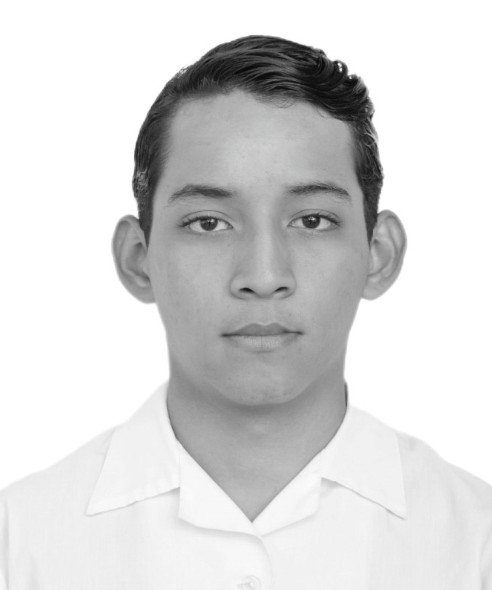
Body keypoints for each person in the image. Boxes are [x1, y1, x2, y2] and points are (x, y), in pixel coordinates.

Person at [1, 34, 491, 590]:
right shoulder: (19, 546)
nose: (263, 275)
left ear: (379, 253)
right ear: (138, 259)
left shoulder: (475, 544)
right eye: (209, 223)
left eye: (312, 221)